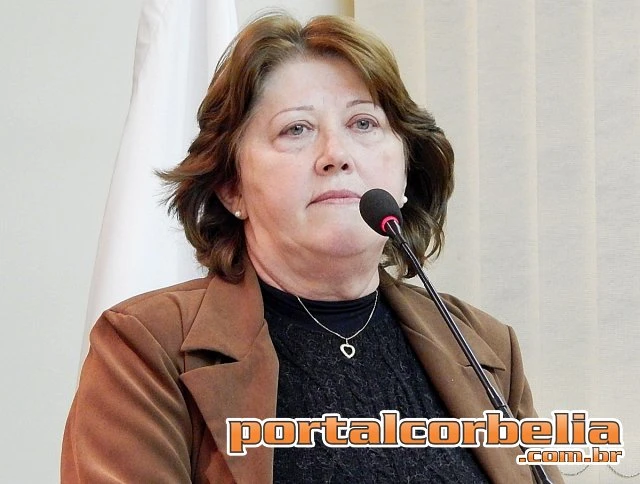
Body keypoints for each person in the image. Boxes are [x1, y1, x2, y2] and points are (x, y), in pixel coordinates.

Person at [61, 11, 562, 484]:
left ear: (407, 170)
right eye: (296, 129)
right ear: (232, 188)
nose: (336, 155)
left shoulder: (484, 345)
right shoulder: (148, 347)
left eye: (363, 124)